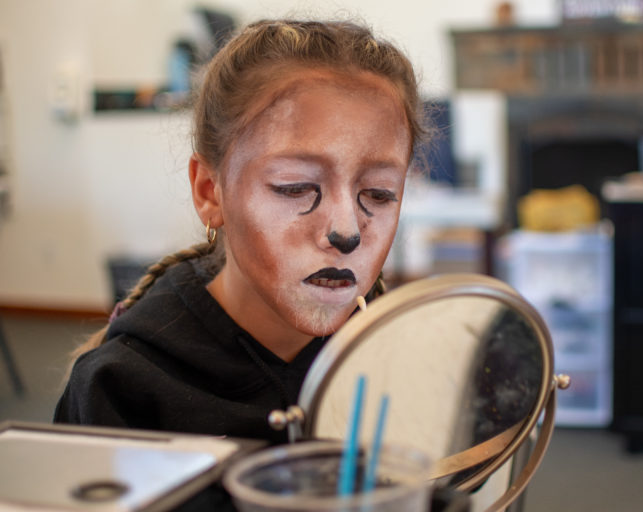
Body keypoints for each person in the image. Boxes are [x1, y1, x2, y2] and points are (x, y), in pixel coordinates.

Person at [54, 19, 428, 443]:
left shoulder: (396, 363)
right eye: (296, 186)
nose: (347, 231)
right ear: (210, 191)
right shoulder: (122, 388)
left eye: (379, 194)